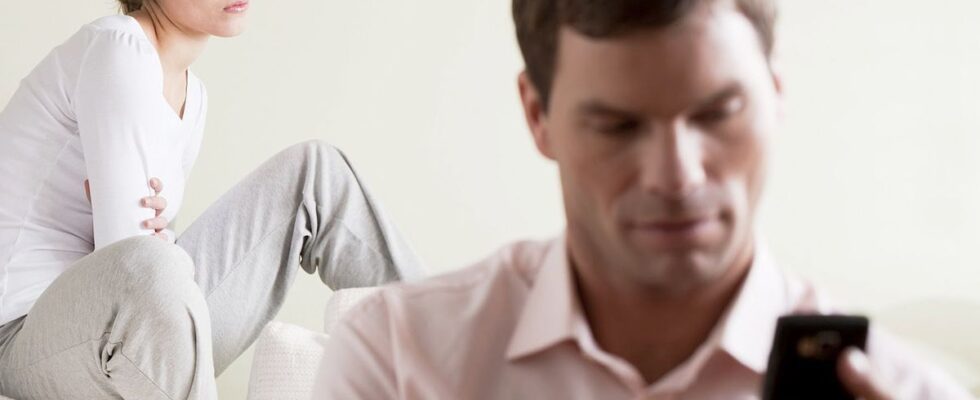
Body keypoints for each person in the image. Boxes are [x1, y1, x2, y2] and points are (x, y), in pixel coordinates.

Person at [312, 0, 973, 398]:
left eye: (717, 114)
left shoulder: (911, 392)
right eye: (618, 126)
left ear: (775, 96)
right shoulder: (396, 359)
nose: (677, 177)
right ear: (538, 116)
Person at [0, 0, 421, 398]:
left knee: (316, 174)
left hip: (125, 327)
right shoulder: (118, 48)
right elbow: (133, 263)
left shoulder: (194, 96)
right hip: (24, 335)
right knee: (155, 265)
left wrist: (148, 241)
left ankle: (443, 356)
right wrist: (147, 244)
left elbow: (150, 264)